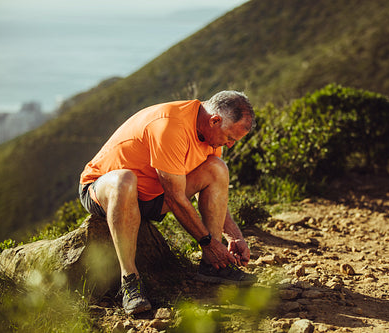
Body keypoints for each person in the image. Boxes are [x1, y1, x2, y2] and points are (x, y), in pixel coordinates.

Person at [78, 90, 257, 315]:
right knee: (125, 180)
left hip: (151, 197)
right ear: (215, 120)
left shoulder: (211, 134)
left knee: (217, 168)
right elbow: (175, 198)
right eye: (230, 138)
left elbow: (203, 190)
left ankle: (213, 265)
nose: (230, 145)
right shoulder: (171, 126)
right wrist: (209, 243)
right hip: (103, 188)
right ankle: (130, 281)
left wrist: (234, 235)